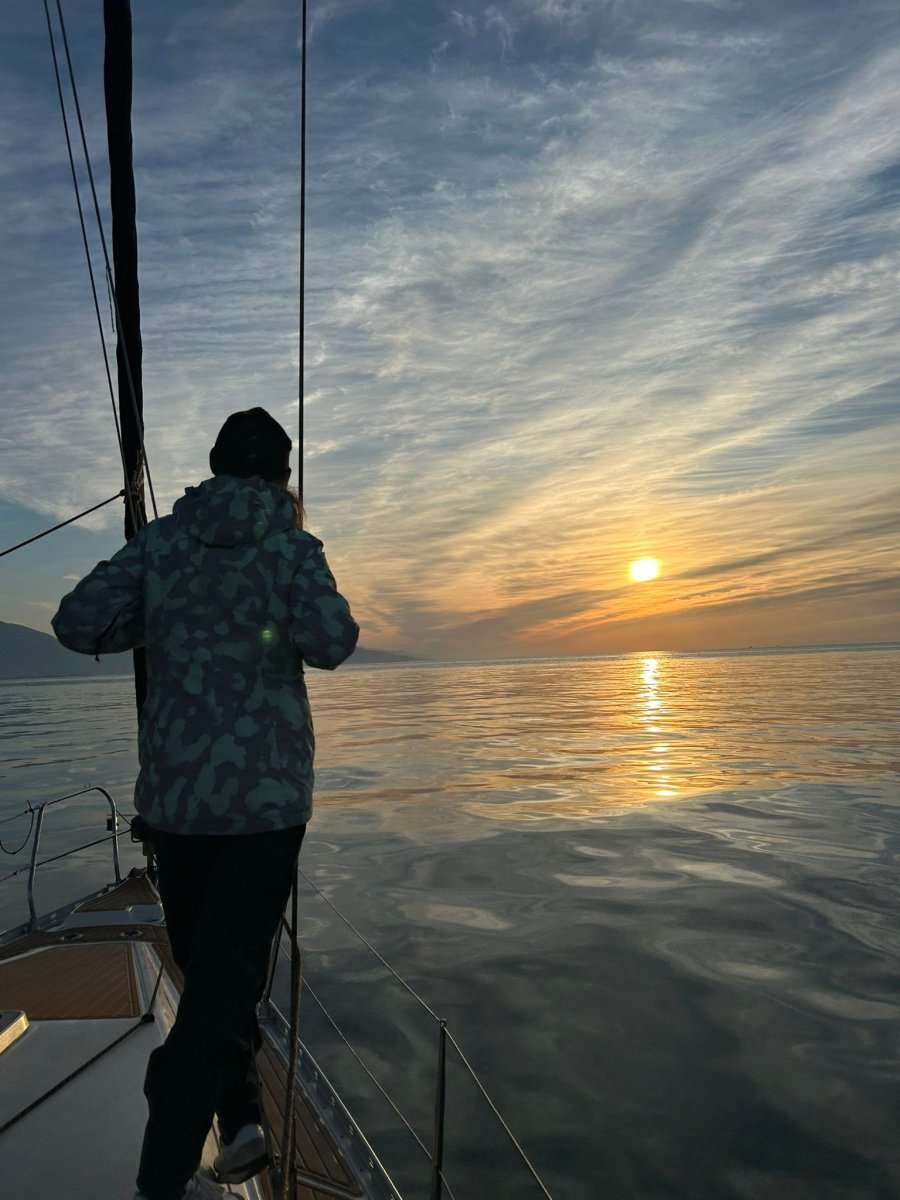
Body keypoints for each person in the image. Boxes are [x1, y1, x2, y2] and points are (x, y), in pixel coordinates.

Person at [52, 408, 359, 1200]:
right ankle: (164, 1176)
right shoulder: (292, 548)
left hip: (178, 802)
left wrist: (161, 618)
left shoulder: (159, 543)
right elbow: (332, 643)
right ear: (282, 478)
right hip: (264, 806)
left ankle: (243, 1113)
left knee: (210, 973)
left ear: (217, 467)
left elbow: (77, 621)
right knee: (222, 985)